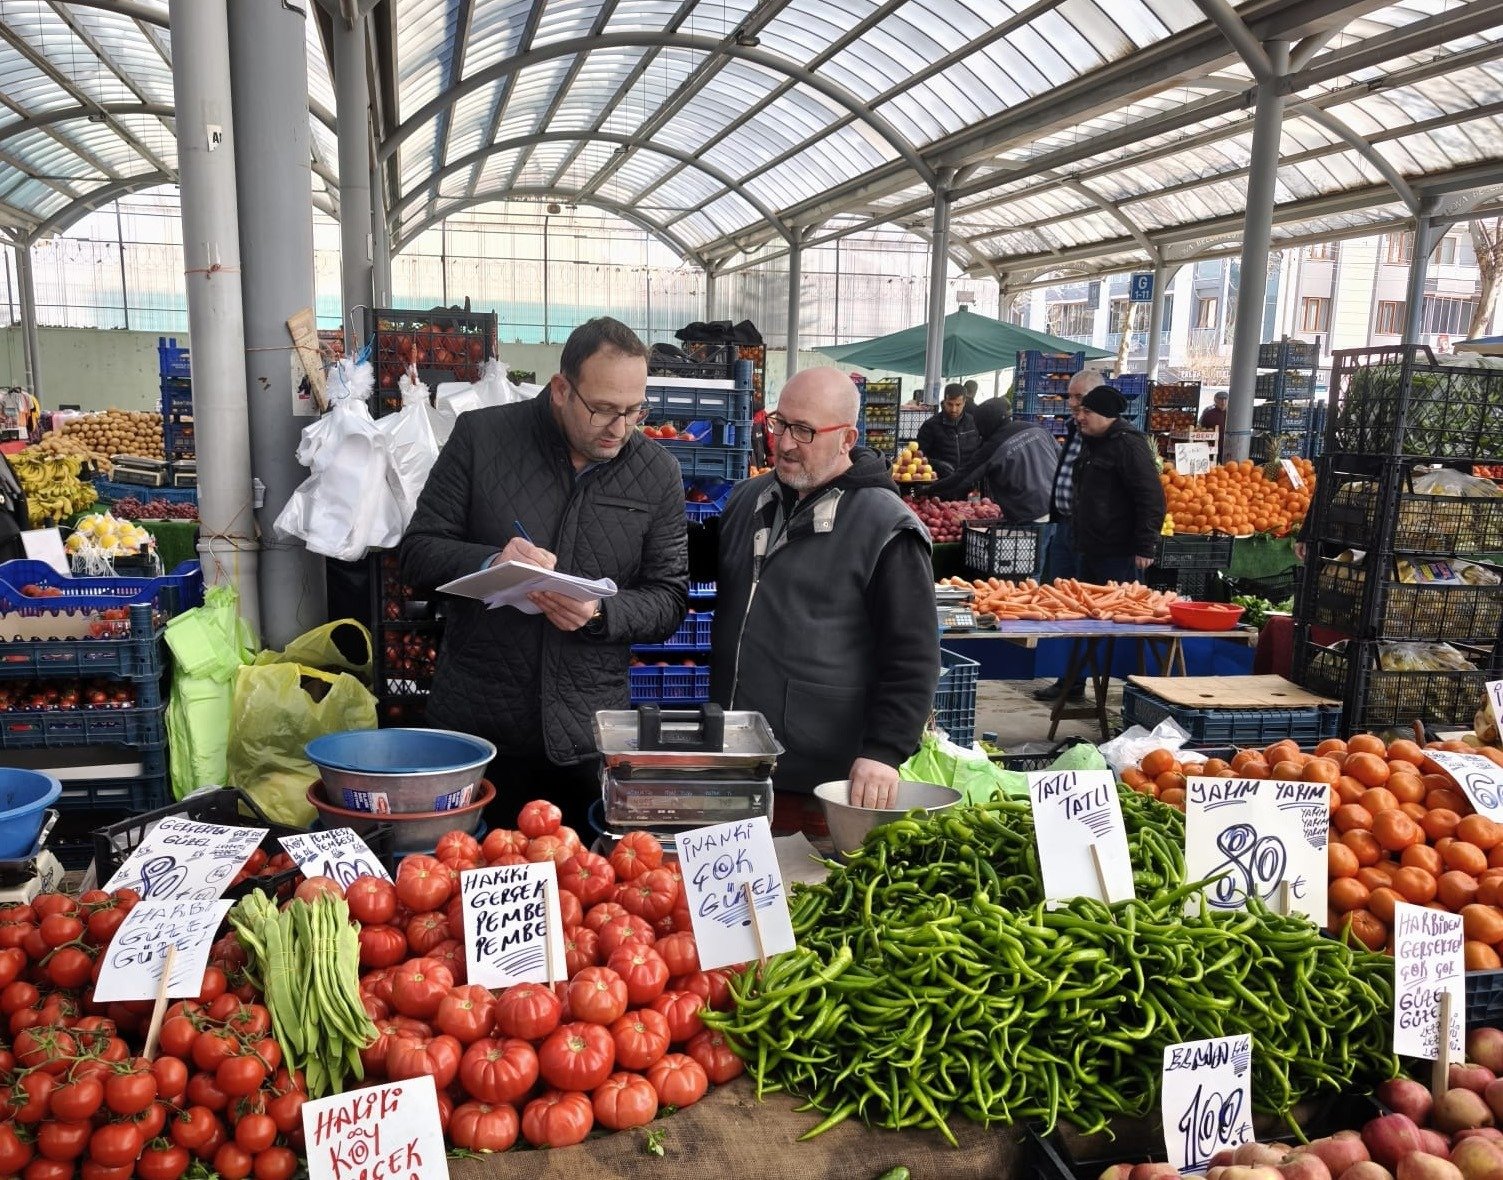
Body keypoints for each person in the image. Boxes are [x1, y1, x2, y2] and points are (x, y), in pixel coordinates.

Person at [401, 317, 689, 835]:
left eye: (633, 410)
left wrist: (600, 612)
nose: (619, 428)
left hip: (584, 737)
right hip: (478, 729)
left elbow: (669, 599)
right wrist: (491, 563)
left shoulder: (657, 473)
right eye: (603, 409)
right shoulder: (483, 439)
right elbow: (418, 552)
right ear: (561, 389)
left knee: (581, 892)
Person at [711, 367, 940, 824]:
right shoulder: (748, 500)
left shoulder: (886, 529)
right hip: (733, 758)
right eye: (780, 423)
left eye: (806, 431)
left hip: (822, 780)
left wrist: (884, 751)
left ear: (847, 438)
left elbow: (913, 656)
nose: (786, 442)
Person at [1071, 386, 1166, 585]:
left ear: (1106, 415)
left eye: (1087, 412)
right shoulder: (1093, 442)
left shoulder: (1128, 445)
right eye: (1080, 411)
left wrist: (1145, 546)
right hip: (1090, 549)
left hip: (1119, 554)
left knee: (1119, 610)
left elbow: (1151, 496)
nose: (1080, 417)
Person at [921, 399, 1058, 522]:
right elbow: (1063, 460)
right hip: (1058, 507)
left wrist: (927, 489)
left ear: (986, 424)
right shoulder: (1037, 428)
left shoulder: (992, 447)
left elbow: (960, 479)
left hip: (1029, 514)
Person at [915, 384, 980, 477]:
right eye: (950, 404)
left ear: (964, 402)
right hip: (939, 483)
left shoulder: (973, 423)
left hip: (968, 482)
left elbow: (980, 451)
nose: (954, 409)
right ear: (944, 402)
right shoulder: (930, 425)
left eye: (958, 405)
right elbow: (918, 457)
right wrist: (936, 464)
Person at [1199, 391, 1228, 455]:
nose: (1223, 402)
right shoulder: (1208, 413)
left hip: (1227, 447)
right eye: (1221, 400)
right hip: (1211, 447)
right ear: (1215, 401)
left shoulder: (1232, 413)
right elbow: (1201, 428)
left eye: (1225, 399)